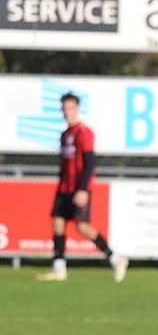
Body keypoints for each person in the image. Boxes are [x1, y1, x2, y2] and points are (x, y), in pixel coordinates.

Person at [37, 92, 128, 282]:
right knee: (58, 222)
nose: (67, 112)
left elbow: (90, 162)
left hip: (79, 188)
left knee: (83, 227)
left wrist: (84, 189)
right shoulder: (65, 135)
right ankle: (59, 268)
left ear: (77, 109)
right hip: (64, 188)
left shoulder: (84, 133)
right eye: (64, 108)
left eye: (70, 108)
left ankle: (116, 258)